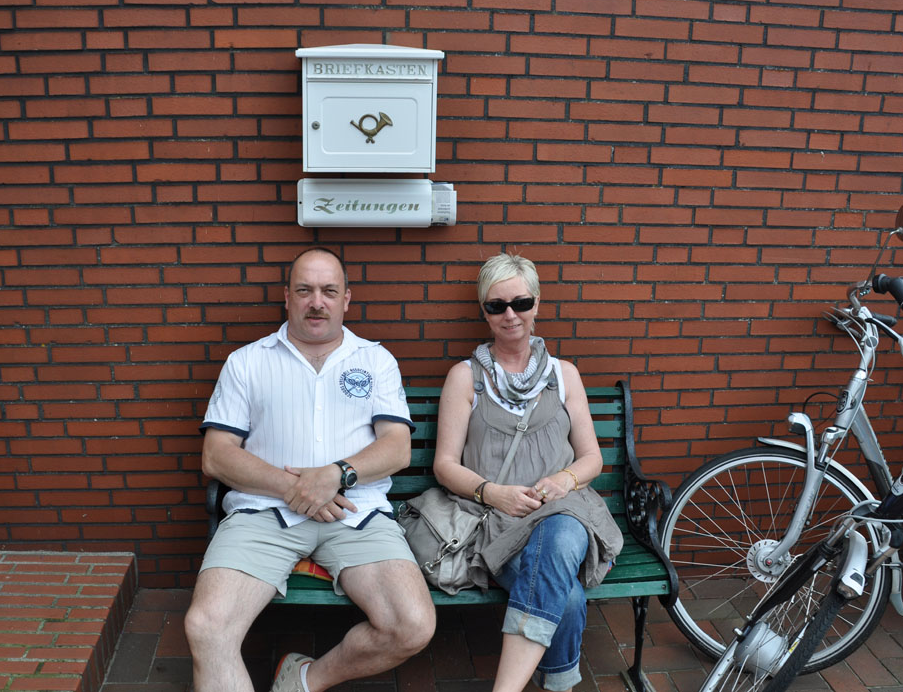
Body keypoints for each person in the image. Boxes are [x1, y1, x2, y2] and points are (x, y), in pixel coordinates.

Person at [184, 247, 436, 692]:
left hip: (355, 514)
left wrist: (335, 474)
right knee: (208, 628)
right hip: (263, 513)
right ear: (287, 297)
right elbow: (216, 455)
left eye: (328, 291)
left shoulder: (375, 360)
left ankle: (302, 680)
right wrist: (295, 487)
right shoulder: (248, 361)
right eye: (304, 290)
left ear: (346, 299)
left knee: (411, 625)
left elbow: (397, 448)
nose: (316, 302)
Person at [432, 253, 624, 692]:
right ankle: (558, 685)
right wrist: (493, 492)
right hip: (499, 522)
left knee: (561, 529)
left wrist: (563, 481)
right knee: (567, 597)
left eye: (520, 303)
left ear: (536, 303)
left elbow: (591, 458)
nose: (510, 315)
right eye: (496, 305)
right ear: (484, 311)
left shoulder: (564, 375)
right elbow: (444, 465)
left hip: (565, 508)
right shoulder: (465, 378)